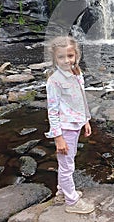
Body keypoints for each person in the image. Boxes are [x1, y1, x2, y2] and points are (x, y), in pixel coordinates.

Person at [45, 36, 95, 214]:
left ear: (76, 55)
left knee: (69, 161)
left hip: (76, 125)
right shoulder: (54, 80)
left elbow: (81, 99)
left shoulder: (77, 73)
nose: (66, 60)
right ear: (54, 58)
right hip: (65, 128)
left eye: (70, 56)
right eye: (61, 57)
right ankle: (72, 202)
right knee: (67, 166)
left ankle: (61, 192)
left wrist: (86, 120)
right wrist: (58, 137)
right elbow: (52, 110)